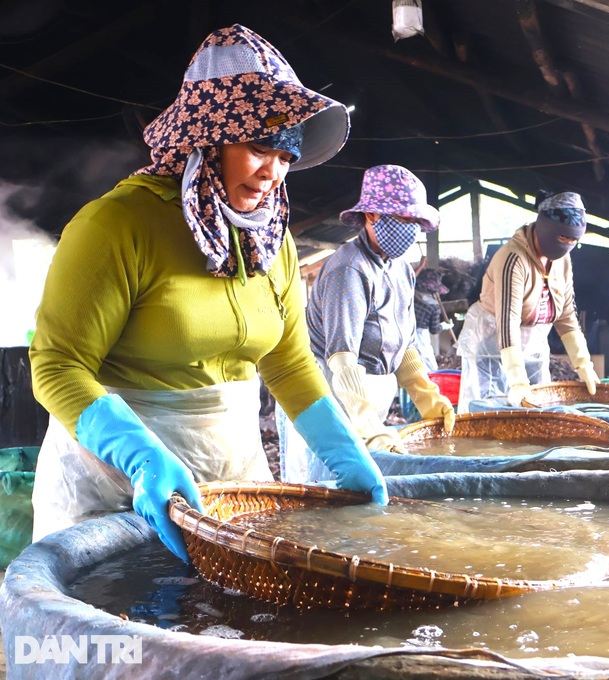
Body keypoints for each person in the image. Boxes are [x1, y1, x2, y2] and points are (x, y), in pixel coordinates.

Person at [28, 25, 388, 564]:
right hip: (115, 487)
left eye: (287, 156)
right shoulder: (117, 225)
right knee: (124, 631)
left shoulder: (271, 241)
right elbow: (57, 366)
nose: (272, 173)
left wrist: (343, 450)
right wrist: (141, 456)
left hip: (229, 477)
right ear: (208, 137)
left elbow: (286, 362)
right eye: (258, 147)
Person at [280, 165, 456, 484]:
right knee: (327, 482)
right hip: (331, 393)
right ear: (372, 215)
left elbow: (404, 343)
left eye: (414, 222)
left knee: (365, 483)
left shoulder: (400, 269)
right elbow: (342, 360)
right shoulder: (348, 269)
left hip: (370, 390)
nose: (411, 230)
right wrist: (367, 422)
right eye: (403, 220)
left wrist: (425, 394)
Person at [457, 191, 600, 408]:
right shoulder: (513, 258)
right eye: (564, 237)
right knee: (491, 411)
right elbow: (507, 321)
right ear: (545, 228)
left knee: (537, 409)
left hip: (533, 341)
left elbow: (566, 313)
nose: (568, 244)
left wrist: (583, 364)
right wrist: (517, 378)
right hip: (494, 341)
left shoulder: (562, 259)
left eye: (574, 240)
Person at [412, 268, 454, 374]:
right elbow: (434, 329)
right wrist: (445, 326)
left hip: (404, 330)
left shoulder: (410, 294)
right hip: (420, 336)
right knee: (429, 366)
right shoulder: (433, 306)